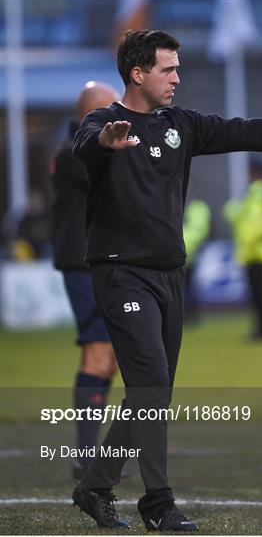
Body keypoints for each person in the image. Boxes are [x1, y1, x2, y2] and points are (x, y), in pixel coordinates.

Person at [70, 29, 262, 531]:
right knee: (150, 385)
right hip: (121, 274)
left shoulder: (181, 124)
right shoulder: (104, 122)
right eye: (168, 69)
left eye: (177, 68)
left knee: (153, 392)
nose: (177, 78)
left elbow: (245, 131)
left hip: (170, 276)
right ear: (138, 73)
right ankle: (159, 504)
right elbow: (87, 146)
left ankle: (95, 486)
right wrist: (105, 141)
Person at [51, 82, 122, 478]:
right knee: (98, 350)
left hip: (96, 260)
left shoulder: (75, 149)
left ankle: (91, 452)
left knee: (107, 356)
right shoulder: (75, 151)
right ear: (89, 114)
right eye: (112, 108)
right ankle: (87, 456)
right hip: (84, 263)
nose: (119, 115)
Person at [224, 157, 262, 340]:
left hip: (260, 250)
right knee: (259, 293)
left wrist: (258, 235)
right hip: (252, 250)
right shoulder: (255, 193)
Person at [183, 198, 210, 324]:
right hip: (184, 253)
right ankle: (188, 316)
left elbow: (199, 231)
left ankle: (190, 316)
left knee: (187, 288)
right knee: (186, 288)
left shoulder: (196, 207)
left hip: (186, 254)